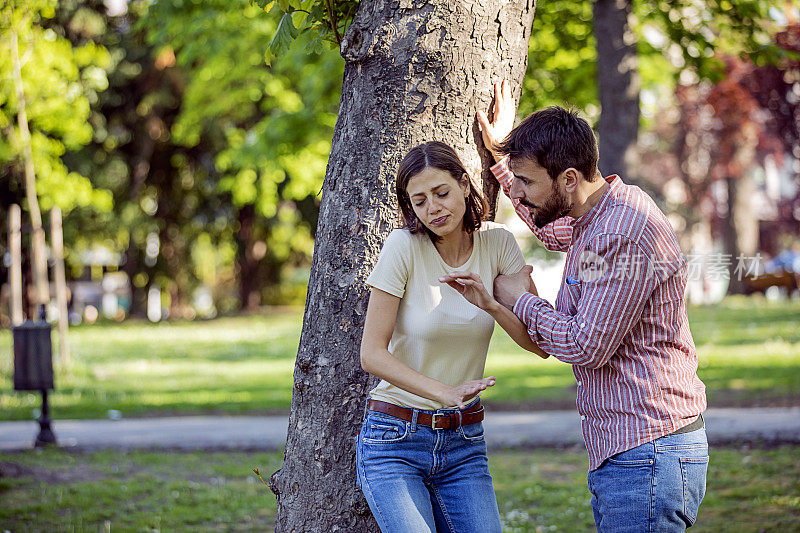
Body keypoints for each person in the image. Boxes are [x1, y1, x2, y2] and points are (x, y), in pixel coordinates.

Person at [441, 82, 709, 532]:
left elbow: (586, 345)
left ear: (568, 178)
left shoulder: (623, 233)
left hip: (648, 454)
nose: (520, 193)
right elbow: (551, 231)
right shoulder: (599, 214)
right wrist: (504, 167)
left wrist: (519, 300)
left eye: (528, 182)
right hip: (632, 452)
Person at [357, 141, 548, 533]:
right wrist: (441, 392)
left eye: (441, 193)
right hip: (395, 440)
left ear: (464, 184)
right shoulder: (403, 248)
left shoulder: (498, 243)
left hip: (463, 441)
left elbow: (538, 344)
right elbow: (372, 355)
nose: (433, 209)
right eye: (420, 201)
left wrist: (492, 305)